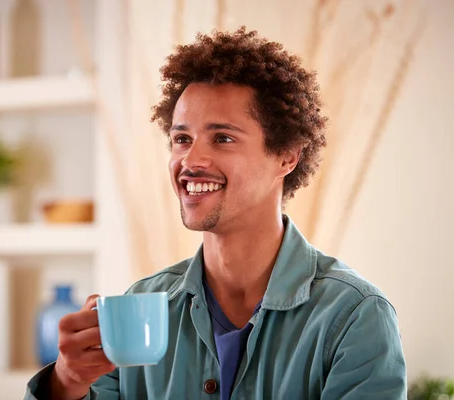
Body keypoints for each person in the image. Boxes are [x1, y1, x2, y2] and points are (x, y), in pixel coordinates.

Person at [25, 27, 406, 400]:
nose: (190, 160)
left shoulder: (355, 317)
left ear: (287, 156)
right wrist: (65, 384)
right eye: (181, 139)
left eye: (222, 138)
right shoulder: (142, 305)